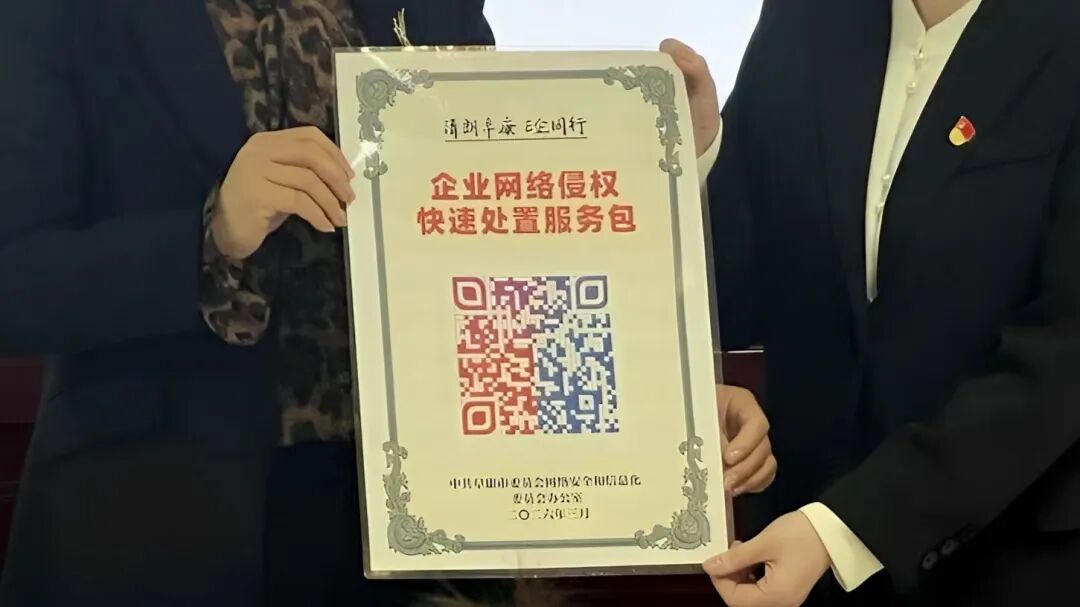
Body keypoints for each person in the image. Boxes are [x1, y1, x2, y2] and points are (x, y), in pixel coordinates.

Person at [0, 0, 770, 604]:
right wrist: (211, 232)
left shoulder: (433, 5)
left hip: (413, 519)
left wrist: (664, 160)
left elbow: (503, 230)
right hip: (153, 521)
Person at [687, 0, 1080, 604]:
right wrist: (697, 155)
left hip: (1010, 553)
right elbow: (745, 289)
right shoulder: (807, 19)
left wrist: (847, 526)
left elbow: (1063, 355)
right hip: (797, 549)